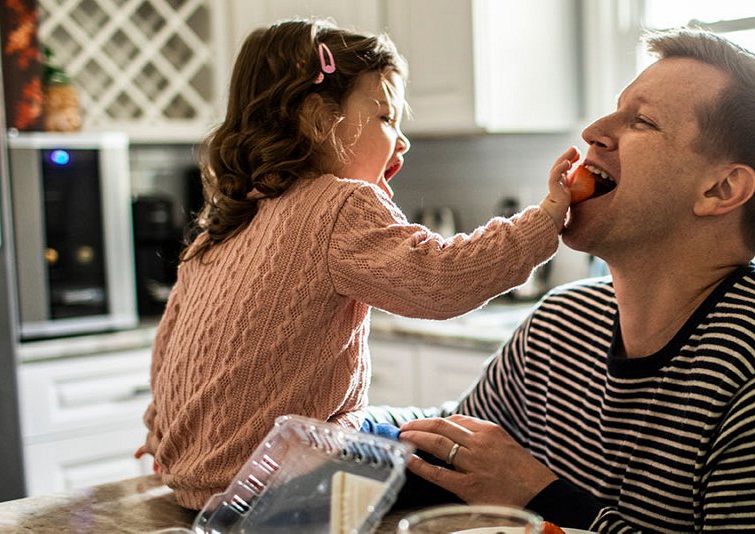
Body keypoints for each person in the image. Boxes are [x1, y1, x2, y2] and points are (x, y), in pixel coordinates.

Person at [364, 28, 755, 531]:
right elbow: (455, 443)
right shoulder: (563, 323)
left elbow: (510, 480)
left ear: (721, 188)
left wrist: (541, 496)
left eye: (641, 121)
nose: (594, 131)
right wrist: (331, 425)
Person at [138, 19, 577, 509]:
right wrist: (546, 219)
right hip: (291, 479)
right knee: (463, 460)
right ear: (316, 117)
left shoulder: (219, 229)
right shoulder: (338, 205)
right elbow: (441, 280)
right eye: (386, 118)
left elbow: (168, 355)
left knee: (403, 424)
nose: (402, 141)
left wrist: (164, 433)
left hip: (199, 484)